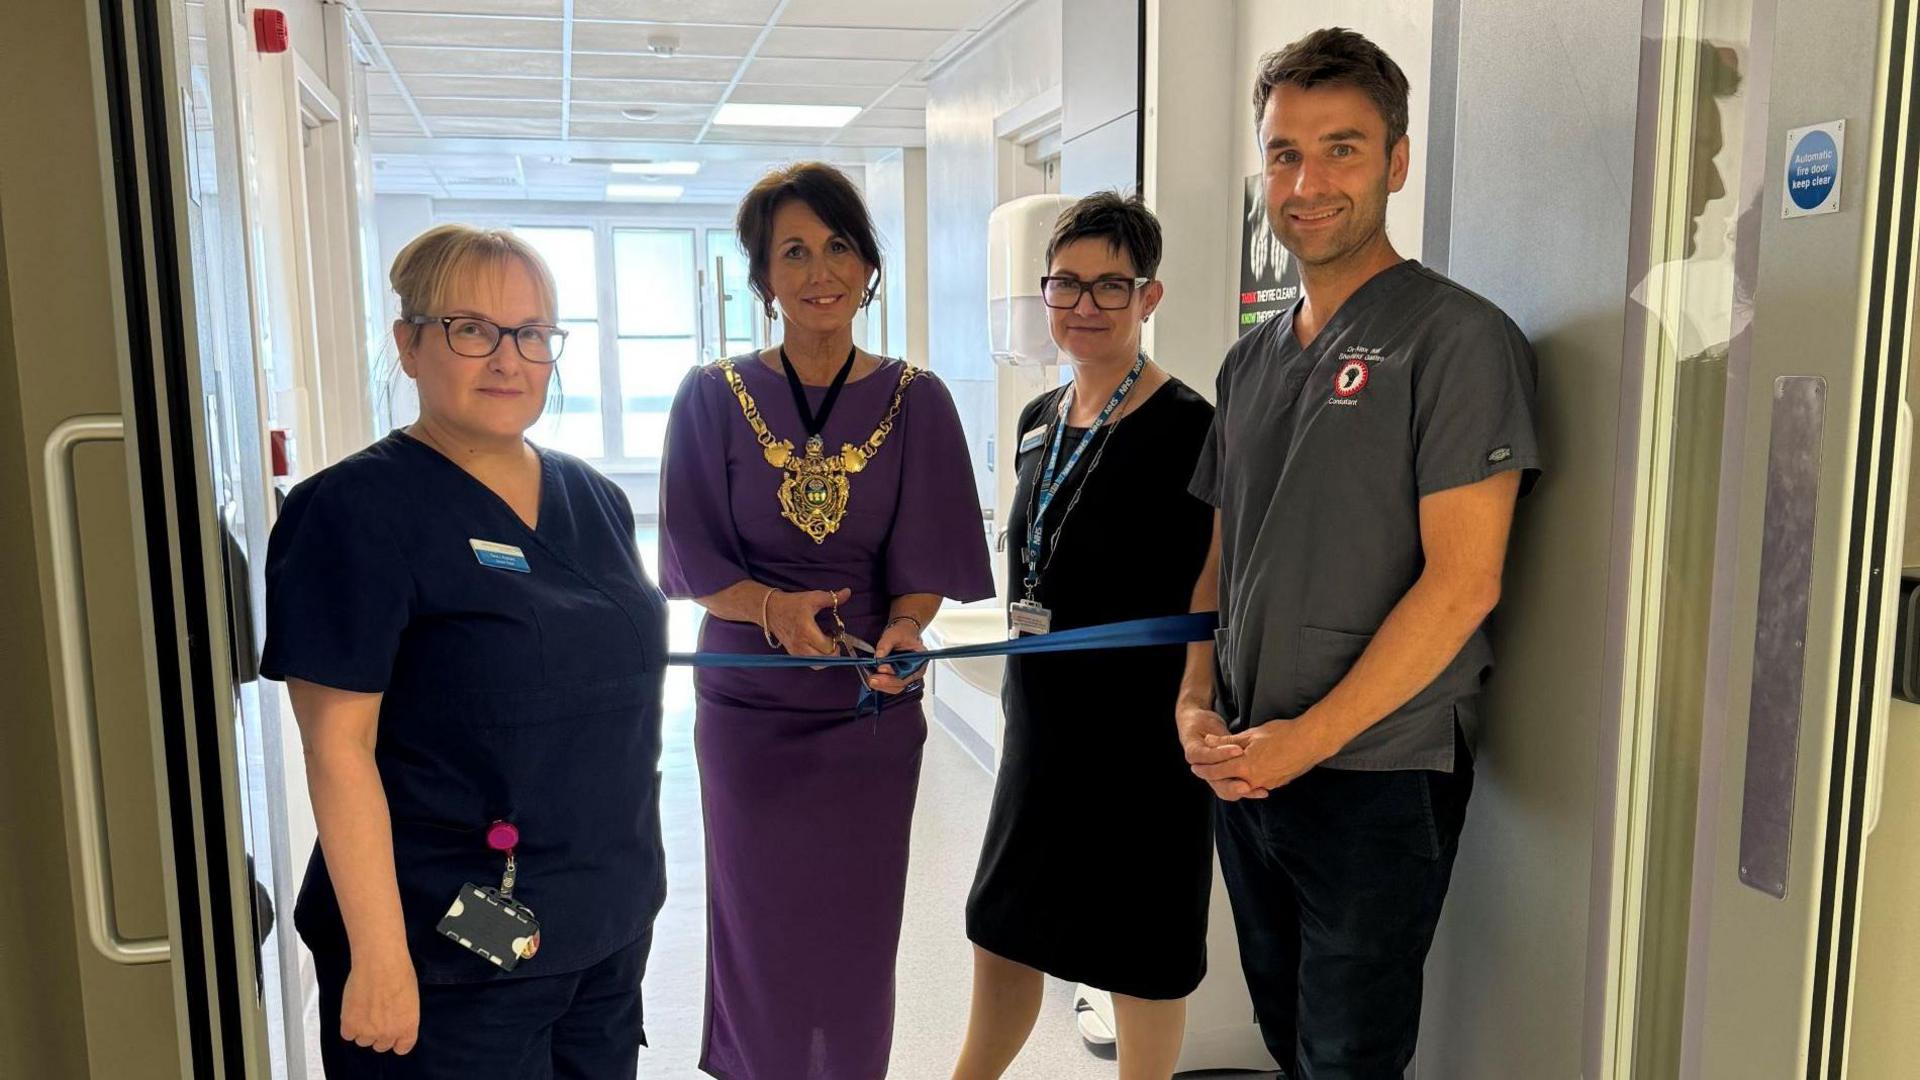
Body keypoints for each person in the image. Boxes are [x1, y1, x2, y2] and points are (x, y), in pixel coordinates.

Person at [1179, 28, 1541, 1079]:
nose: (1308, 181)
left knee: (1349, 1054)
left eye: (1341, 149)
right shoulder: (1249, 361)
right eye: (1285, 153)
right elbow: (1219, 555)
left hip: (1377, 775)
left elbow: (1466, 581)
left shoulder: (1456, 340)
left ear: (1398, 161)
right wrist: (1195, 701)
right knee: (1288, 1036)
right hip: (1249, 765)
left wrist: (1308, 741)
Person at [261, 224, 669, 1077]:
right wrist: (378, 960)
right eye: (471, 329)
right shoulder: (353, 513)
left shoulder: (591, 498)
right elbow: (337, 748)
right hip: (442, 943)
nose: (507, 359)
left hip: (602, 922)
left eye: (531, 335)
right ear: (408, 344)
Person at [658, 161, 995, 1079]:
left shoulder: (916, 399)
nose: (819, 271)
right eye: (793, 251)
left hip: (867, 709)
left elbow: (922, 565)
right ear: (763, 278)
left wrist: (908, 630)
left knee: (855, 926)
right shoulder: (711, 397)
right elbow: (691, 561)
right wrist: (771, 610)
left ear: (868, 263)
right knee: (759, 923)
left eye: (838, 246)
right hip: (748, 706)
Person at [953, 192, 1217, 1080]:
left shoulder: (1193, 428)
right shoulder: (1037, 424)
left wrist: (1197, 700)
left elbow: (1211, 592)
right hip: (1041, 726)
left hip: (1143, 736)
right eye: (1066, 285)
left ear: (1151, 298)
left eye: (1112, 287)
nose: (1085, 308)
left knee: (1143, 950)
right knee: (1003, 925)